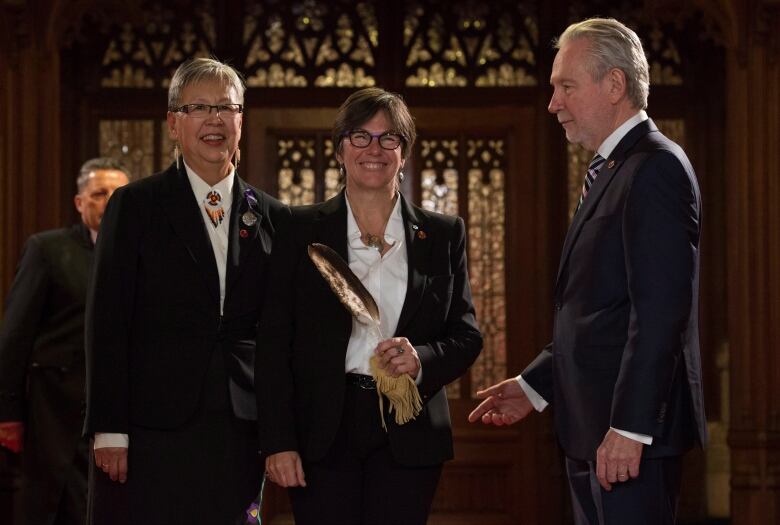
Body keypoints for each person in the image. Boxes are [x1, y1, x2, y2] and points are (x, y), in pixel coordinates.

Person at [468, 18, 706, 525]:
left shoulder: (655, 166)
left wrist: (632, 427)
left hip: (627, 441)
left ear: (614, 84)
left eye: (565, 87)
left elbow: (661, 313)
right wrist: (533, 387)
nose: (553, 103)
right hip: (597, 434)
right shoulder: (613, 167)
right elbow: (600, 312)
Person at [257, 87, 483, 525]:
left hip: (410, 427)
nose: (374, 149)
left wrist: (421, 360)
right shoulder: (297, 228)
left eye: (389, 138)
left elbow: (466, 335)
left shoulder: (441, 234)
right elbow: (273, 343)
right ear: (340, 149)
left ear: (405, 151)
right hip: (322, 429)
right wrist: (278, 440)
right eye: (360, 137)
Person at [83, 57, 288, 525]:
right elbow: (108, 321)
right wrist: (109, 428)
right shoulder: (135, 205)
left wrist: (279, 432)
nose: (215, 119)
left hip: (240, 424)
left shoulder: (274, 215)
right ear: (173, 123)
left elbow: (278, 333)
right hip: (152, 424)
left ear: (241, 120)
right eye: (199, 107)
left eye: (227, 107)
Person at [0, 158, 129, 525]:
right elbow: (14, 336)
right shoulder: (48, 249)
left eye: (116, 194)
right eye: (98, 194)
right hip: (55, 411)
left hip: (122, 411)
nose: (107, 202)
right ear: (79, 202)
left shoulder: (142, 253)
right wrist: (7, 412)